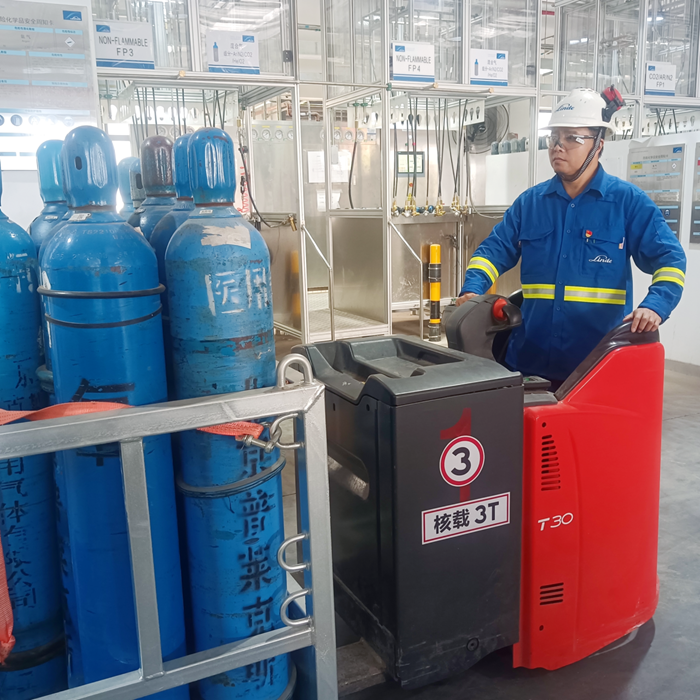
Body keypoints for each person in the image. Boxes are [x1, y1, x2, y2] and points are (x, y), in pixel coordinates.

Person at [457, 87, 686, 383]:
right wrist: (472, 290)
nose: (558, 146)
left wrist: (655, 305)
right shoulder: (530, 204)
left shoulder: (628, 203)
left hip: (595, 369)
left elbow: (670, 259)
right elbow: (492, 252)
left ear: (599, 145)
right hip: (529, 363)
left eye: (572, 138)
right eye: (554, 137)